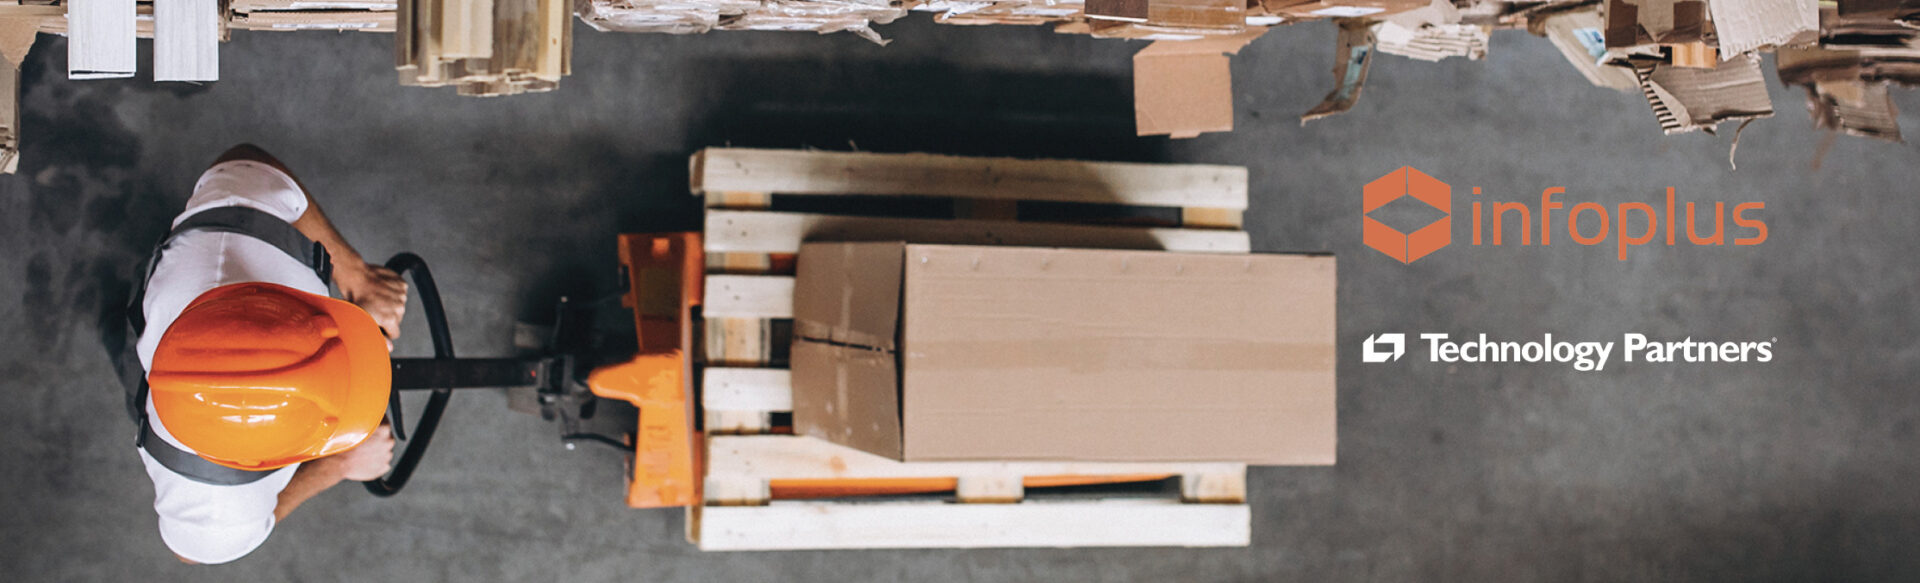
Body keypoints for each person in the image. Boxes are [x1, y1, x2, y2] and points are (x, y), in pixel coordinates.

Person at [130, 144, 407, 564]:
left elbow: (248, 162)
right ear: (270, 461)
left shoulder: (225, 242)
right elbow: (191, 555)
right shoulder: (216, 501)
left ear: (269, 302)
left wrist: (354, 272)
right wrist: (334, 468)